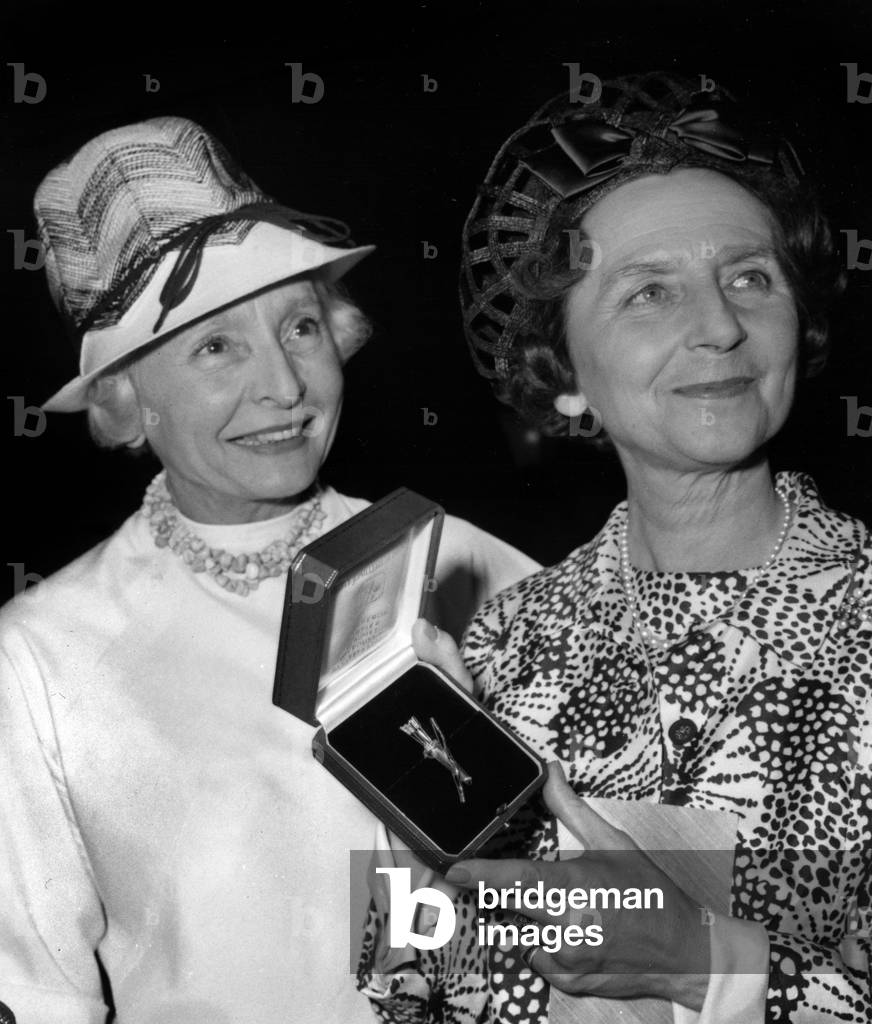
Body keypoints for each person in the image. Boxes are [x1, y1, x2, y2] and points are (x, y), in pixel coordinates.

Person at [0, 116, 539, 1024]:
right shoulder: (43, 657)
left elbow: (623, 904)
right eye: (216, 347)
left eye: (299, 326)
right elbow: (37, 989)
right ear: (129, 395)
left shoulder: (463, 561)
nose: (285, 388)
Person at [367, 72, 871, 1023]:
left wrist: (710, 971)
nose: (720, 326)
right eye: (649, 294)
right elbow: (406, 985)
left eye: (750, 277)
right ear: (564, 377)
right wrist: (420, 834)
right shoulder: (504, 638)